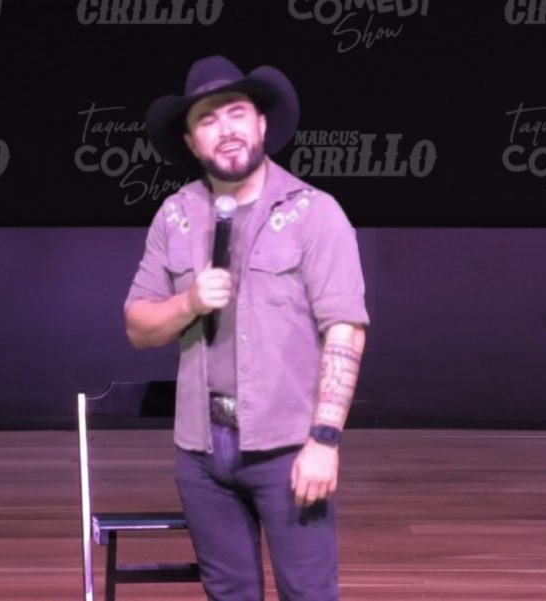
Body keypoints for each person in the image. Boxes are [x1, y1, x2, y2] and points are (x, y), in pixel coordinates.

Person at [124, 55, 369, 601]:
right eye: (207, 120)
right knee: (227, 593)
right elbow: (139, 326)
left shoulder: (314, 212)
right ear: (191, 142)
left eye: (236, 113)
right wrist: (189, 301)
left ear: (261, 123)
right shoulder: (175, 215)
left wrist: (324, 441)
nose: (226, 129)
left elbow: (345, 330)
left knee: (309, 594)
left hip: (288, 449)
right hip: (201, 452)